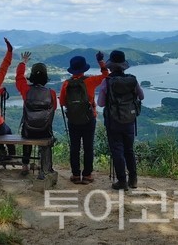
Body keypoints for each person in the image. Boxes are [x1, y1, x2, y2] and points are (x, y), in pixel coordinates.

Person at [97, 50, 144, 190]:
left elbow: (100, 103)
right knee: (129, 149)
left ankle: (122, 181)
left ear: (111, 65)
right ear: (124, 66)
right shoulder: (132, 80)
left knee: (117, 150)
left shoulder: (108, 82)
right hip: (130, 120)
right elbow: (141, 96)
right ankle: (133, 179)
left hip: (113, 122)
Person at [59, 52, 108, 184]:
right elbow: (106, 76)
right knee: (88, 146)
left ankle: (75, 175)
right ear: (84, 68)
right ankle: (87, 175)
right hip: (89, 118)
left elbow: (63, 102)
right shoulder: (90, 81)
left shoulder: (66, 84)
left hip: (73, 119)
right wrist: (101, 62)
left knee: (74, 147)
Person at [15, 51, 57, 176]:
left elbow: (19, 77)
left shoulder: (26, 90)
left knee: (26, 131)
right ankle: (46, 167)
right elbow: (53, 109)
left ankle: (25, 165)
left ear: (32, 76)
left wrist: (23, 62)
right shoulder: (51, 93)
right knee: (46, 141)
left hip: (28, 131)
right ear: (45, 77)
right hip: (45, 131)